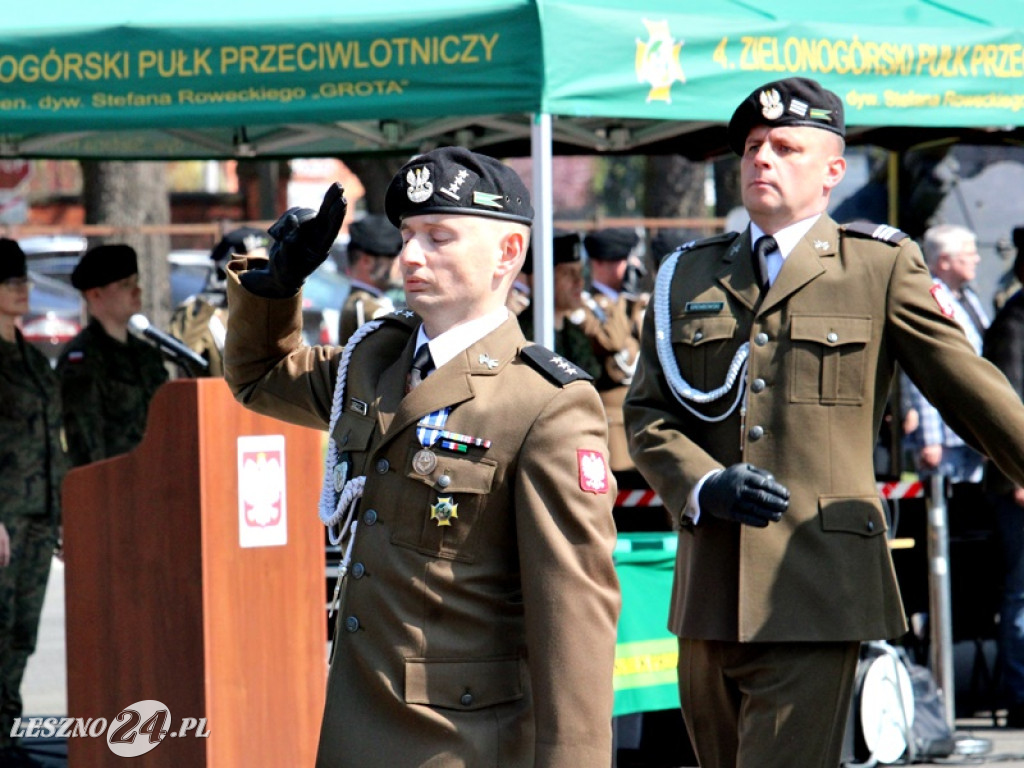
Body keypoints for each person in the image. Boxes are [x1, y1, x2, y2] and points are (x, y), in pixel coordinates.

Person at [623, 76, 1024, 768]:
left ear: (834, 170)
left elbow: (972, 391)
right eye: (751, 147)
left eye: (784, 146)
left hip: (817, 583)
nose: (761, 160)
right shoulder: (686, 274)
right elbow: (648, 414)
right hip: (710, 589)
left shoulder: (878, 266)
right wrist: (702, 484)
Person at [224, 146, 621, 767]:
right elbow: (258, 374)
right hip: (353, 728)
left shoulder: (544, 404)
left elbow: (574, 615)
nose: (410, 256)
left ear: (507, 254)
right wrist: (277, 285)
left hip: (456, 743)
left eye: (439, 237)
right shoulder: (374, 360)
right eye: (408, 235)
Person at [0, 239, 67, 766]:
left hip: (38, 514)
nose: (24, 290)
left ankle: (5, 730)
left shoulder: (27, 353)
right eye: (12, 283)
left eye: (24, 281)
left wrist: (64, 510)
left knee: (22, 630)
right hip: (3, 517)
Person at [57, 244, 169, 467]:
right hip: (113, 486)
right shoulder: (82, 358)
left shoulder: (146, 354)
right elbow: (85, 442)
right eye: (125, 285)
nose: (137, 291)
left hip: (158, 477)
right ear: (95, 294)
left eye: (136, 282)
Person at [900, 224, 990, 483]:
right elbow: (926, 370)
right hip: (946, 436)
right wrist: (930, 439)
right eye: (968, 254)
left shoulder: (967, 298)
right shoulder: (930, 300)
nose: (977, 259)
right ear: (944, 261)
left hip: (972, 429)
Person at [984, 244, 1024, 727]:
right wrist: (1017, 471)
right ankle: (1020, 696)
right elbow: (1009, 400)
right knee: (1021, 596)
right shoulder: (1016, 319)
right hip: (1017, 478)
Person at [581, 228, 643, 473]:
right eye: (620, 261)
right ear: (598, 263)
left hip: (638, 414)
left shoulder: (632, 304)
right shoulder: (589, 305)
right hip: (612, 419)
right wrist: (623, 299)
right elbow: (614, 341)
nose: (628, 268)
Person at [168, 226, 270, 376]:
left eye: (264, 265)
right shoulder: (201, 311)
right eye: (251, 265)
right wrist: (209, 302)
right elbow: (182, 353)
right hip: (218, 396)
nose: (260, 273)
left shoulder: (273, 307)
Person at [517, 230, 602, 380]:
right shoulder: (522, 335)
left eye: (580, 272)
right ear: (540, 277)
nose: (579, 281)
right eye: (568, 273)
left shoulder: (575, 333)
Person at [337, 213, 403, 344]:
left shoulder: (368, 303)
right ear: (366, 261)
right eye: (392, 257)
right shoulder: (363, 307)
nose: (401, 263)